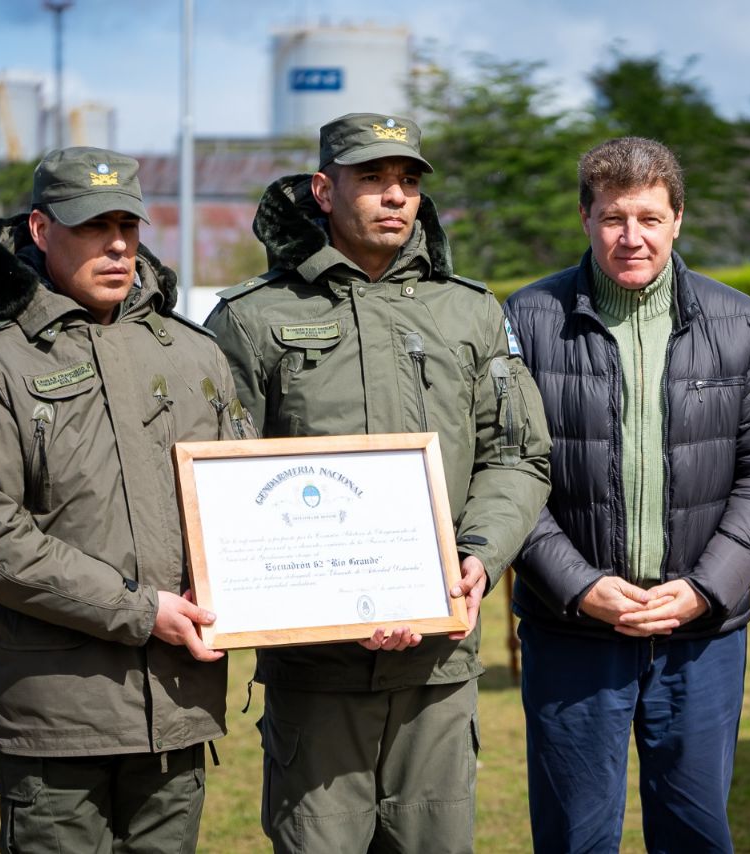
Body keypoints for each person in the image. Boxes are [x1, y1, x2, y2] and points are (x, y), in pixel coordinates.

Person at [204, 112, 551, 854]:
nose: (396, 196)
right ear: (325, 189)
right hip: (316, 671)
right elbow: (219, 485)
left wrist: (477, 560)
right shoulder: (254, 319)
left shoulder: (471, 311)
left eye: (409, 181)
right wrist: (301, 599)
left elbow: (518, 454)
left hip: (439, 664)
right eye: (373, 179)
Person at [0, 146, 252, 852]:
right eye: (92, 225)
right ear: (40, 229)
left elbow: (243, 503)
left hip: (178, 707)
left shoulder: (191, 354)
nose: (117, 244)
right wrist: (141, 611)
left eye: (128, 224)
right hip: (56, 718)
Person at [502, 136, 750, 853]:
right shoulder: (527, 320)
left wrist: (706, 589)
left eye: (649, 218)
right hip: (572, 632)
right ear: (585, 218)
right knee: (576, 837)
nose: (630, 237)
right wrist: (577, 587)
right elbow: (505, 470)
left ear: (677, 220)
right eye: (612, 218)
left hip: (700, 635)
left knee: (695, 833)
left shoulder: (739, 322)